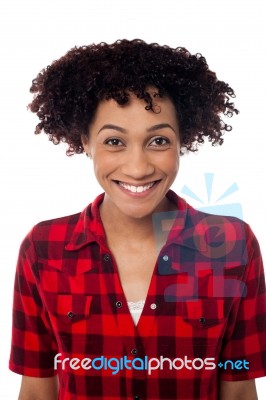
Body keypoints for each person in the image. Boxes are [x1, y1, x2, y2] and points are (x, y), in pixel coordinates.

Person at [9, 39, 266, 400]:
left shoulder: (233, 246)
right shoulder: (44, 248)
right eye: (114, 141)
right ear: (85, 141)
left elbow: (238, 391)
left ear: (182, 142)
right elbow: (36, 392)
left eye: (158, 140)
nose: (138, 167)